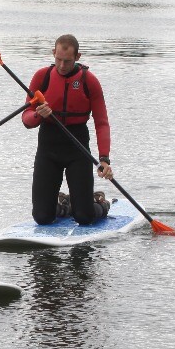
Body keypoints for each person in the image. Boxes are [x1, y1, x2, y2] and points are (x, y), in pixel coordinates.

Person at [22, 34, 114, 225]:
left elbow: (101, 122)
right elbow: (26, 119)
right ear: (53, 53)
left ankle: (100, 203)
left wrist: (104, 159)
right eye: (58, 60)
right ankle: (65, 204)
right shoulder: (42, 77)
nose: (62, 65)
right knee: (42, 217)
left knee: (85, 217)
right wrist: (39, 114)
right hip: (49, 147)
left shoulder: (89, 81)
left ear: (78, 57)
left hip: (77, 147)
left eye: (68, 61)